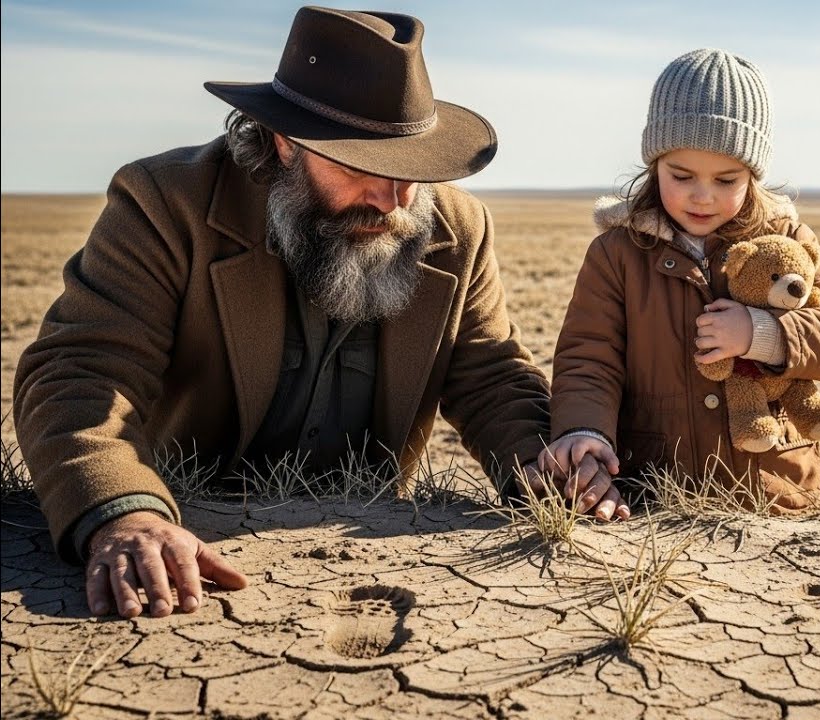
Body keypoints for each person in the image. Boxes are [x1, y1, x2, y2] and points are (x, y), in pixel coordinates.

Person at [11, 7, 589, 620]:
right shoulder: (164, 204)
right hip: (196, 529)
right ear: (284, 141)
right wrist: (124, 509)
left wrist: (540, 465)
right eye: (362, 167)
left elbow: (490, 373)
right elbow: (82, 372)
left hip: (363, 557)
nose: (392, 201)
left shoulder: (454, 224)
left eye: (411, 171)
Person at [539, 48, 820, 516]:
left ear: (753, 175)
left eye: (726, 179)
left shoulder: (787, 237)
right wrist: (584, 434)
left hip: (778, 498)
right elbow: (589, 358)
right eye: (682, 174)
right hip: (654, 495)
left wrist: (763, 334)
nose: (702, 195)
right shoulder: (616, 254)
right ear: (654, 165)